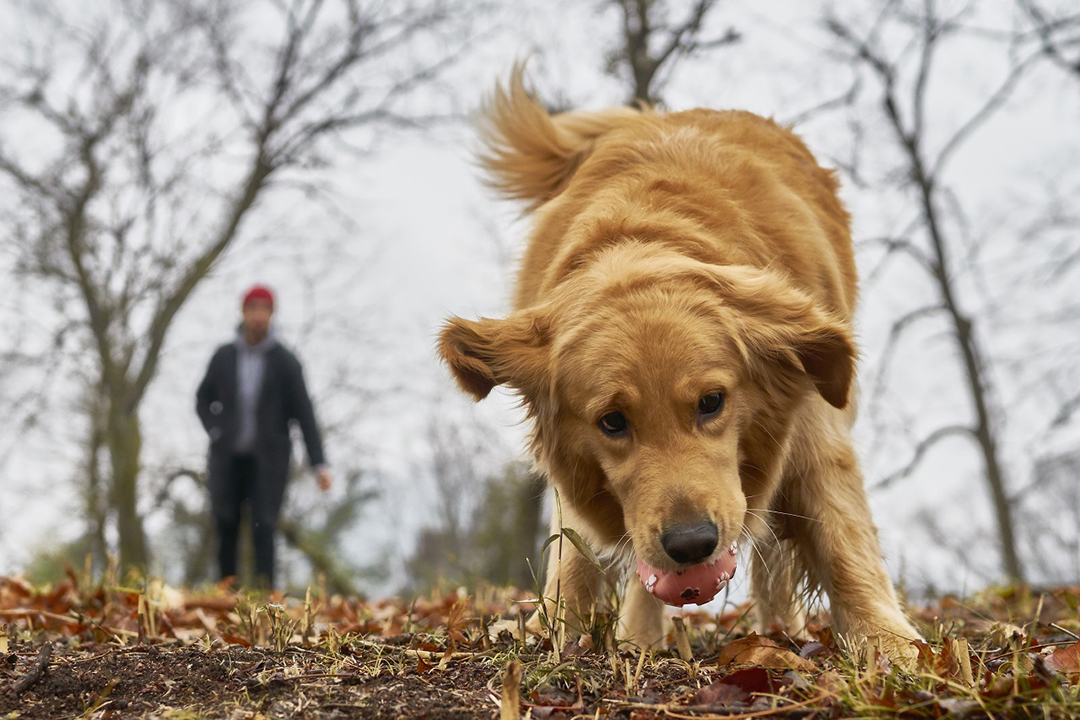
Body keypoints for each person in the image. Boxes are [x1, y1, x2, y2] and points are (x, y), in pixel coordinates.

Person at [196, 284, 332, 589]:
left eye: (265, 309)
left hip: (268, 460)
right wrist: (215, 429)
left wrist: (319, 464)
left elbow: (305, 414)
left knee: (264, 525)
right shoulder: (223, 357)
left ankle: (266, 595)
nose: (259, 315)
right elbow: (202, 399)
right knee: (226, 522)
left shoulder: (285, 362)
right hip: (226, 458)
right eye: (253, 308)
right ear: (243, 312)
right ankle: (225, 594)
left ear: (272, 315)